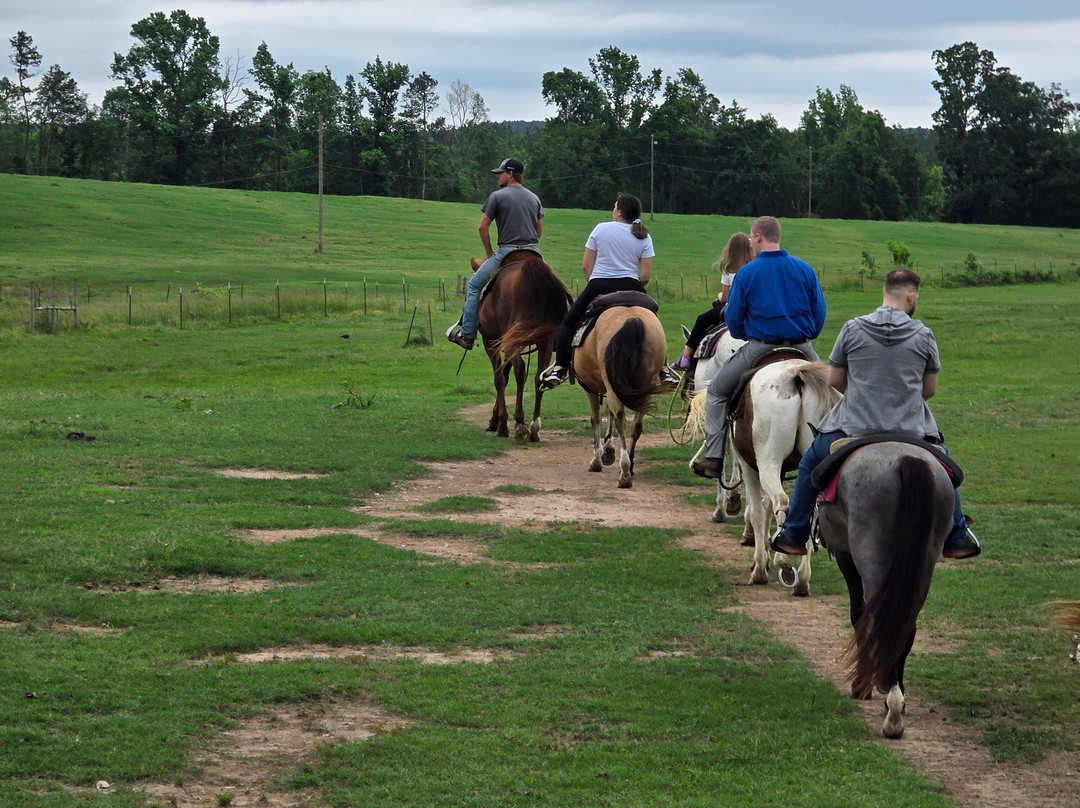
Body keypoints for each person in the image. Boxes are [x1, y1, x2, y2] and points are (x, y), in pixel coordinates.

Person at [769, 268, 981, 560]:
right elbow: (929, 389)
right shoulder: (924, 335)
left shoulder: (852, 328)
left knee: (809, 464)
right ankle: (957, 535)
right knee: (946, 467)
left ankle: (794, 533)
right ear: (910, 295)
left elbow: (835, 381)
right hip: (911, 429)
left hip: (853, 426)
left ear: (884, 292)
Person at [691, 216, 826, 479]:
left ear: (759, 237)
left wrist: (748, 332)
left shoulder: (747, 274)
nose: (750, 243)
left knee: (717, 391)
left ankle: (714, 458)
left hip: (760, 348)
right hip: (802, 347)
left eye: (752, 238)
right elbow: (818, 317)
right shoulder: (804, 269)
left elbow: (735, 321)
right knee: (833, 390)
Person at [538, 192, 655, 390]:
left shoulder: (601, 229)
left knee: (567, 322)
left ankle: (560, 367)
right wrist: (632, 291)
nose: (613, 209)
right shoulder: (644, 235)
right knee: (653, 321)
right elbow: (644, 276)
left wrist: (594, 284)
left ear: (619, 212)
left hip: (600, 284)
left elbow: (586, 266)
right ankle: (662, 368)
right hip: (632, 285)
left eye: (615, 206)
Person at [446, 158, 544, 350]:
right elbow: (539, 232)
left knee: (474, 286)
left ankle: (467, 334)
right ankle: (558, 334)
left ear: (510, 174)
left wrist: (490, 252)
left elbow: (483, 227)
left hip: (506, 250)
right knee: (556, 287)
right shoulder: (534, 198)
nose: (497, 176)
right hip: (533, 251)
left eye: (500, 173)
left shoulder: (497, 196)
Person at [671, 231, 755, 373]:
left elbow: (726, 298)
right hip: (752, 309)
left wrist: (719, 295)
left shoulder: (729, 270)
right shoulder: (754, 268)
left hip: (733, 308)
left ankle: (685, 357)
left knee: (702, 320)